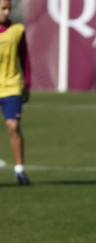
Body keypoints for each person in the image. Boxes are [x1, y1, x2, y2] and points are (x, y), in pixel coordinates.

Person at [0, 0, 31, 185]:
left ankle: (20, 170)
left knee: (13, 126)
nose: (6, 12)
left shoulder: (17, 30)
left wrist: (26, 84)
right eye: (3, 8)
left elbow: (25, 58)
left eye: (8, 9)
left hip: (12, 85)